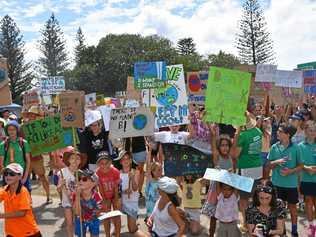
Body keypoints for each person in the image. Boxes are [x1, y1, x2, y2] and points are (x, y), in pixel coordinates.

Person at [268, 123, 303, 237]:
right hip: (276, 184)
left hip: (291, 185)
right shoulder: (274, 147)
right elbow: (269, 165)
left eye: (280, 131)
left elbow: (301, 166)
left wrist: (290, 171)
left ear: (288, 135)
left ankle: (294, 231)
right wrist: (276, 162)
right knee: (278, 208)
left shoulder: (296, 148)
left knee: (292, 207)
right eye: (278, 131)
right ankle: (280, 230)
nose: (277, 133)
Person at [231, 112, 263, 231]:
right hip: (257, 169)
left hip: (245, 170)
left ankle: (245, 224)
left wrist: (236, 136)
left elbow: (234, 155)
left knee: (243, 200)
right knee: (255, 198)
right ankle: (256, 222)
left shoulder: (243, 135)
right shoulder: (258, 132)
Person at [202, 125, 235, 237]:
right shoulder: (217, 157)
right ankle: (211, 234)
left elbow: (233, 172)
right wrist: (211, 130)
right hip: (216, 190)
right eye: (222, 145)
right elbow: (213, 142)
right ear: (218, 147)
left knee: (226, 215)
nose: (225, 148)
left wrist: (232, 171)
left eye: (227, 145)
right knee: (214, 216)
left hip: (227, 191)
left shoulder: (231, 157)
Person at [0, 163, 42, 237]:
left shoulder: (23, 191)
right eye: (6, 173)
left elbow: (22, 213)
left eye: (12, 174)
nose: (8, 176)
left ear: (20, 176)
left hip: (28, 232)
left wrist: (1, 215)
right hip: (12, 233)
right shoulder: (5, 189)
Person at [23, 106, 51, 203]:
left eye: (34, 115)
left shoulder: (40, 127)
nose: (32, 116)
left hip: (37, 157)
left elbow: (45, 139)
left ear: (36, 116)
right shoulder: (23, 127)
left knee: (42, 176)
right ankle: (28, 198)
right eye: (30, 114)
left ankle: (48, 196)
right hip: (26, 158)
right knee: (25, 179)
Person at [0, 120, 31, 192]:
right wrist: (8, 177)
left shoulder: (23, 143)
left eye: (13, 129)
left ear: (17, 130)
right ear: (6, 131)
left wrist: (25, 177)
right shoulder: (3, 144)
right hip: (8, 176)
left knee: (25, 197)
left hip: (21, 175)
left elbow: (28, 161)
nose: (11, 131)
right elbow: (1, 163)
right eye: (9, 129)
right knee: (9, 198)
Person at [95, 151, 121, 237]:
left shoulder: (115, 171)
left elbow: (116, 187)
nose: (104, 166)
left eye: (106, 163)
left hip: (115, 194)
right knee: (106, 216)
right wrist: (104, 200)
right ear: (98, 164)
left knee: (116, 215)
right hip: (104, 195)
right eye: (101, 163)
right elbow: (100, 187)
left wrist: (116, 200)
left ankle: (117, 235)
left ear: (110, 162)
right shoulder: (97, 173)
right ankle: (107, 235)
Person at [57, 148, 81, 237]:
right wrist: (61, 184)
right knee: (69, 223)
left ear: (80, 161)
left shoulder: (81, 173)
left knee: (80, 223)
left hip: (79, 202)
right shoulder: (63, 172)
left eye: (77, 158)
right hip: (67, 202)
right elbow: (58, 189)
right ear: (68, 160)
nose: (75, 161)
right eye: (72, 158)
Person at [298, 121, 316, 236]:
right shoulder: (300, 146)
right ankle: (311, 226)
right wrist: (306, 168)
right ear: (305, 131)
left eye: (315, 131)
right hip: (306, 179)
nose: (313, 133)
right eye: (310, 130)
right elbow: (298, 163)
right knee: (308, 202)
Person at [73, 169, 102, 237]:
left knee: (95, 235)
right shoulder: (76, 194)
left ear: (93, 183)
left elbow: (97, 213)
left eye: (84, 179)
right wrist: (77, 196)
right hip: (80, 219)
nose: (80, 181)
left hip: (93, 218)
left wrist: (99, 213)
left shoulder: (97, 197)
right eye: (79, 179)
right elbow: (77, 212)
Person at [118, 150, 141, 234]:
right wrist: (124, 191)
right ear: (120, 162)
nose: (126, 161)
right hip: (121, 202)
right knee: (115, 231)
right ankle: (116, 226)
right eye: (123, 159)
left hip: (132, 201)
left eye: (128, 158)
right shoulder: (118, 173)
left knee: (132, 229)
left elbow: (135, 189)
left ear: (131, 160)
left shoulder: (135, 172)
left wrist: (132, 178)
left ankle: (135, 224)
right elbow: (116, 190)